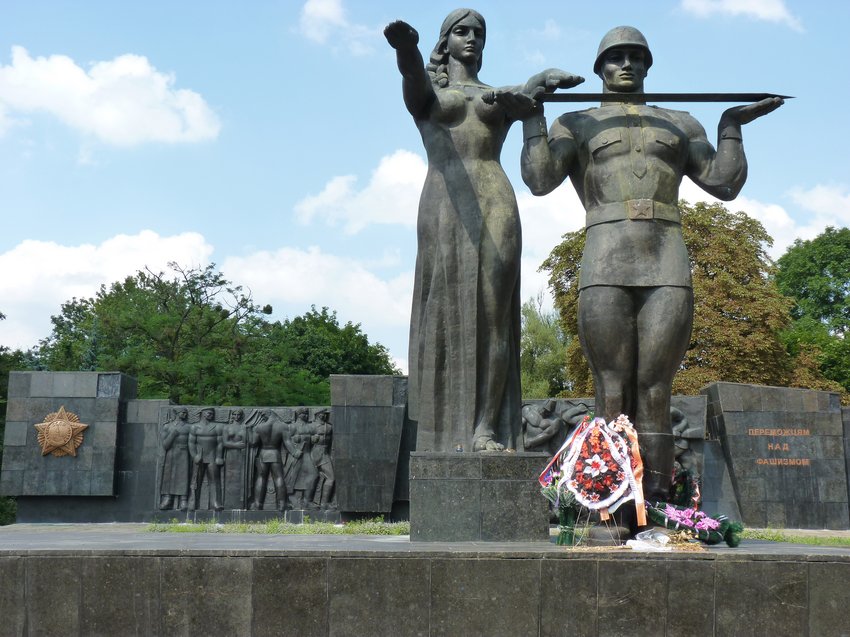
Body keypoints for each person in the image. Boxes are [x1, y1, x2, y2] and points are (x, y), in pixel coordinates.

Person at [520, 26, 782, 503]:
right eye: (616, 57)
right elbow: (539, 180)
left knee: (656, 388)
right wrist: (533, 115)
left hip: (666, 258)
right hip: (605, 255)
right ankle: (609, 507)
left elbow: (723, 183)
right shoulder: (576, 122)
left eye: (636, 57)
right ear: (600, 67)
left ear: (647, 66)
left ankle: (657, 508)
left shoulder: (680, 122)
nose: (627, 64)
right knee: (612, 389)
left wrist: (730, 125)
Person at [384, 10, 582, 452]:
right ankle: (444, 425)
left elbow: (531, 90)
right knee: (446, 312)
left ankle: (485, 428)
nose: (471, 38)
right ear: (446, 41)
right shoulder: (431, 92)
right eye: (461, 31)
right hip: (444, 198)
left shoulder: (499, 94)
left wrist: (543, 82)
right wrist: (407, 50)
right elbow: (413, 83)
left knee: (495, 317)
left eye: (478, 32)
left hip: (496, 198)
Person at [249, 410, 289, 511]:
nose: (262, 417)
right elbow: (287, 442)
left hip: (263, 454)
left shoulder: (259, 427)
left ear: (269, 414)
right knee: (279, 478)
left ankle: (258, 504)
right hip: (275, 453)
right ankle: (282, 504)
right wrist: (295, 452)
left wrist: (250, 431)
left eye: (263, 415)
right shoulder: (283, 426)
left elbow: (253, 442)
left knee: (261, 478)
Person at [188, 407, 224, 511]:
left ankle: (215, 503)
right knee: (195, 481)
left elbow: (220, 443)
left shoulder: (217, 427)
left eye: (212, 413)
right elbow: (191, 443)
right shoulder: (194, 427)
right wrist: (194, 456)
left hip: (212, 456)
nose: (211, 414)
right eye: (209, 413)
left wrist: (219, 456)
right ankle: (192, 503)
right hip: (199, 457)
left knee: (214, 480)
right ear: (203, 413)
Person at [159, 407, 191, 510]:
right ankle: (167, 499)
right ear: (177, 413)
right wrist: (172, 434)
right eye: (183, 413)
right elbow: (165, 445)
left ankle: (183, 500)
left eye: (186, 413)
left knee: (183, 476)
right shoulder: (167, 427)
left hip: (184, 453)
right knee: (168, 476)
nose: (185, 415)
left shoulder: (189, 427)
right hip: (171, 453)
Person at [310, 409, 336, 510]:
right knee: (312, 478)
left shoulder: (329, 427)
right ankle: (307, 502)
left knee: (331, 478)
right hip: (314, 453)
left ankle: (324, 503)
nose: (324, 416)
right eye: (321, 414)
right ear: (316, 415)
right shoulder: (311, 426)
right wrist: (311, 439)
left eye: (325, 414)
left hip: (325, 454)